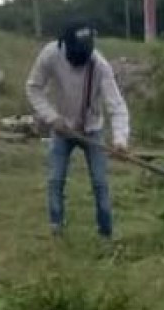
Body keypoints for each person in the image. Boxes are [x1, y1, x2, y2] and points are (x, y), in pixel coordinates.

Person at [26, 20, 130, 239]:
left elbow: (117, 106)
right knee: (55, 180)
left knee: (100, 183)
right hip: (62, 129)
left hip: (92, 129)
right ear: (64, 46)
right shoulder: (50, 55)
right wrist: (52, 117)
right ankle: (56, 227)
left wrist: (120, 140)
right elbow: (33, 88)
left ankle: (105, 234)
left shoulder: (100, 66)